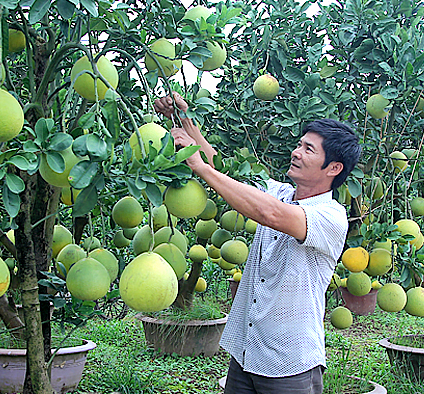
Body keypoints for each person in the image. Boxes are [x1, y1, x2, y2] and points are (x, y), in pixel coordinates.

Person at [154, 93, 362, 394]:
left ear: (333, 168)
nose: (296, 152)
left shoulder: (331, 216)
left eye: (308, 149)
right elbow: (222, 169)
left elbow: (270, 214)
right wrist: (181, 116)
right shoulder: (278, 192)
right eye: (299, 144)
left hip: (289, 363)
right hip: (246, 352)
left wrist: (200, 168)